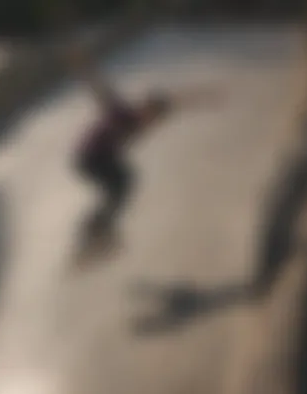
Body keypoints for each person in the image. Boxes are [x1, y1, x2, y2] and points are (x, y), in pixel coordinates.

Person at [68, 46, 225, 245]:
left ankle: (98, 228)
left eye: (154, 119)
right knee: (122, 183)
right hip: (90, 156)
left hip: (97, 158)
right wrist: (83, 65)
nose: (151, 122)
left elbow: (174, 104)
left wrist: (206, 98)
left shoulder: (141, 122)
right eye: (150, 116)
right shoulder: (122, 112)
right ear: (143, 108)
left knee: (122, 185)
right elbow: (100, 88)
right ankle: (96, 228)